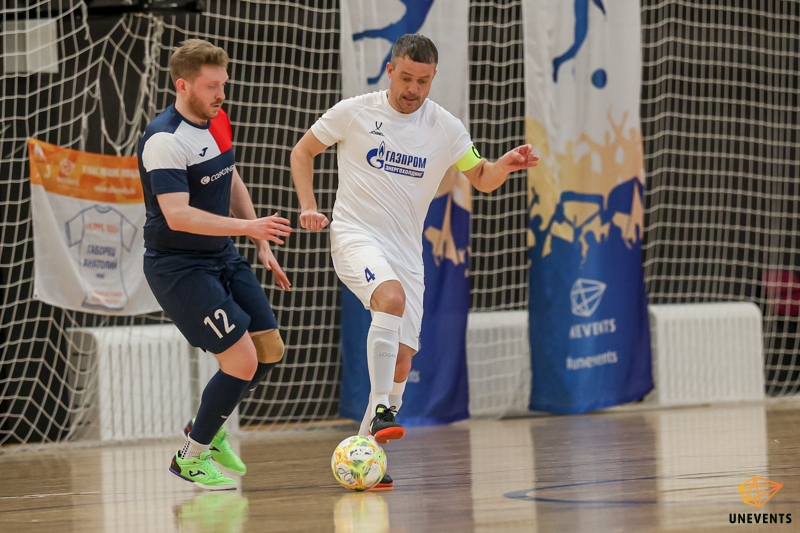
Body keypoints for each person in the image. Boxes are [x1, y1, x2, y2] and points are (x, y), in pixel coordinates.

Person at [290, 33, 538, 489]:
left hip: (406, 251)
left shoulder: (445, 127)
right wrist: (308, 205)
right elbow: (302, 151)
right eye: (405, 78)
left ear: (433, 77)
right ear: (390, 70)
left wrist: (504, 164)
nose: (413, 89)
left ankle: (366, 453)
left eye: (423, 81)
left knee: (402, 361)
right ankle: (383, 410)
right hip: (355, 235)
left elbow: (482, 178)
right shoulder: (355, 112)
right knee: (390, 298)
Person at [138, 39, 292, 490]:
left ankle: (205, 425)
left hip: (220, 253)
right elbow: (178, 215)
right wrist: (248, 228)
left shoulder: (217, 118)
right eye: (211, 86)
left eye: (223, 84)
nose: (221, 94)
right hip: (178, 266)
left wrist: (259, 240)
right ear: (183, 85)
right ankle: (190, 458)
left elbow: (230, 175)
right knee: (241, 359)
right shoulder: (164, 140)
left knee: (270, 350)